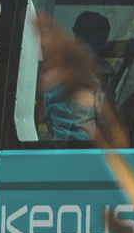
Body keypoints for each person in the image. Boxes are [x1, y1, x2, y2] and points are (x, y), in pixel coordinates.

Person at [43, 11, 109, 141]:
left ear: (74, 33)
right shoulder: (96, 76)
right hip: (90, 153)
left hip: (58, 152)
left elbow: (49, 124)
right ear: (101, 39)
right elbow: (106, 123)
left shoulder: (55, 75)